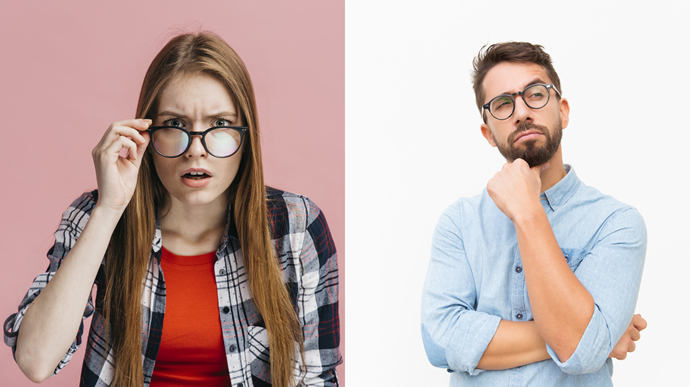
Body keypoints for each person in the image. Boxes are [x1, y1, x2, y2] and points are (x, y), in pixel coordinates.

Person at [3, 32, 341, 387]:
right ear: (145, 135)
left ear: (246, 136)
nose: (196, 149)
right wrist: (109, 209)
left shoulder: (297, 226)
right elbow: (35, 361)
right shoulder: (96, 216)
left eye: (220, 125)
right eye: (176, 125)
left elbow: (316, 377)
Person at [421, 42, 646, 386]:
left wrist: (528, 211)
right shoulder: (460, 222)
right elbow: (440, 341)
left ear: (563, 110)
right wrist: (597, 334)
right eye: (503, 104)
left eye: (536, 94)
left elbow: (581, 352)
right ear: (488, 134)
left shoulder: (616, 224)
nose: (521, 112)